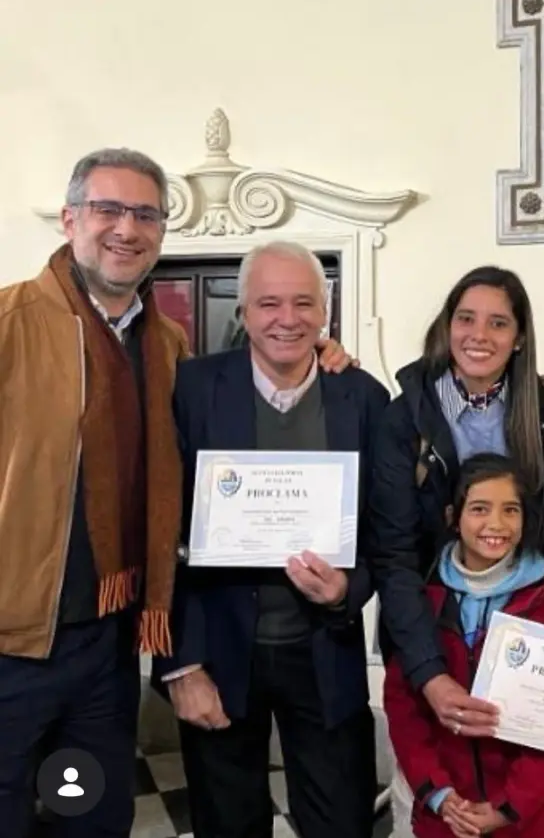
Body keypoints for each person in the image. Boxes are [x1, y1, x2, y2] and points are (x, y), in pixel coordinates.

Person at [152, 241, 388, 838]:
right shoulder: (192, 389)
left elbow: (383, 533)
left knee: (342, 822)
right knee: (228, 824)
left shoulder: (362, 397)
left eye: (304, 303)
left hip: (325, 651)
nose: (288, 318)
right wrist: (180, 664)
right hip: (219, 653)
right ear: (244, 311)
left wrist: (348, 589)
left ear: (326, 311)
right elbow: (160, 530)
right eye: (269, 303)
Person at [0, 148, 189, 838]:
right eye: (108, 209)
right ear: (70, 218)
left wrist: (317, 359)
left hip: (107, 646)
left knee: (87, 811)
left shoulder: (168, 344)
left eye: (145, 214)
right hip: (12, 643)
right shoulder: (9, 322)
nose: (126, 228)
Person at [369, 266, 544, 834]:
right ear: (446, 325)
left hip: (526, 635)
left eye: (498, 323)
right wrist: (429, 674)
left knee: (519, 797)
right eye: (466, 319)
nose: (479, 335)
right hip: (432, 633)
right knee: (432, 796)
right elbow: (394, 555)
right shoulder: (405, 416)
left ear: (520, 337)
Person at [382, 452, 544, 838]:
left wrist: (510, 806)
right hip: (447, 811)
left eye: (511, 510)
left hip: (526, 816)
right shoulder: (423, 598)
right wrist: (438, 794)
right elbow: (404, 706)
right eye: (479, 509)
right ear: (452, 517)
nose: (496, 524)